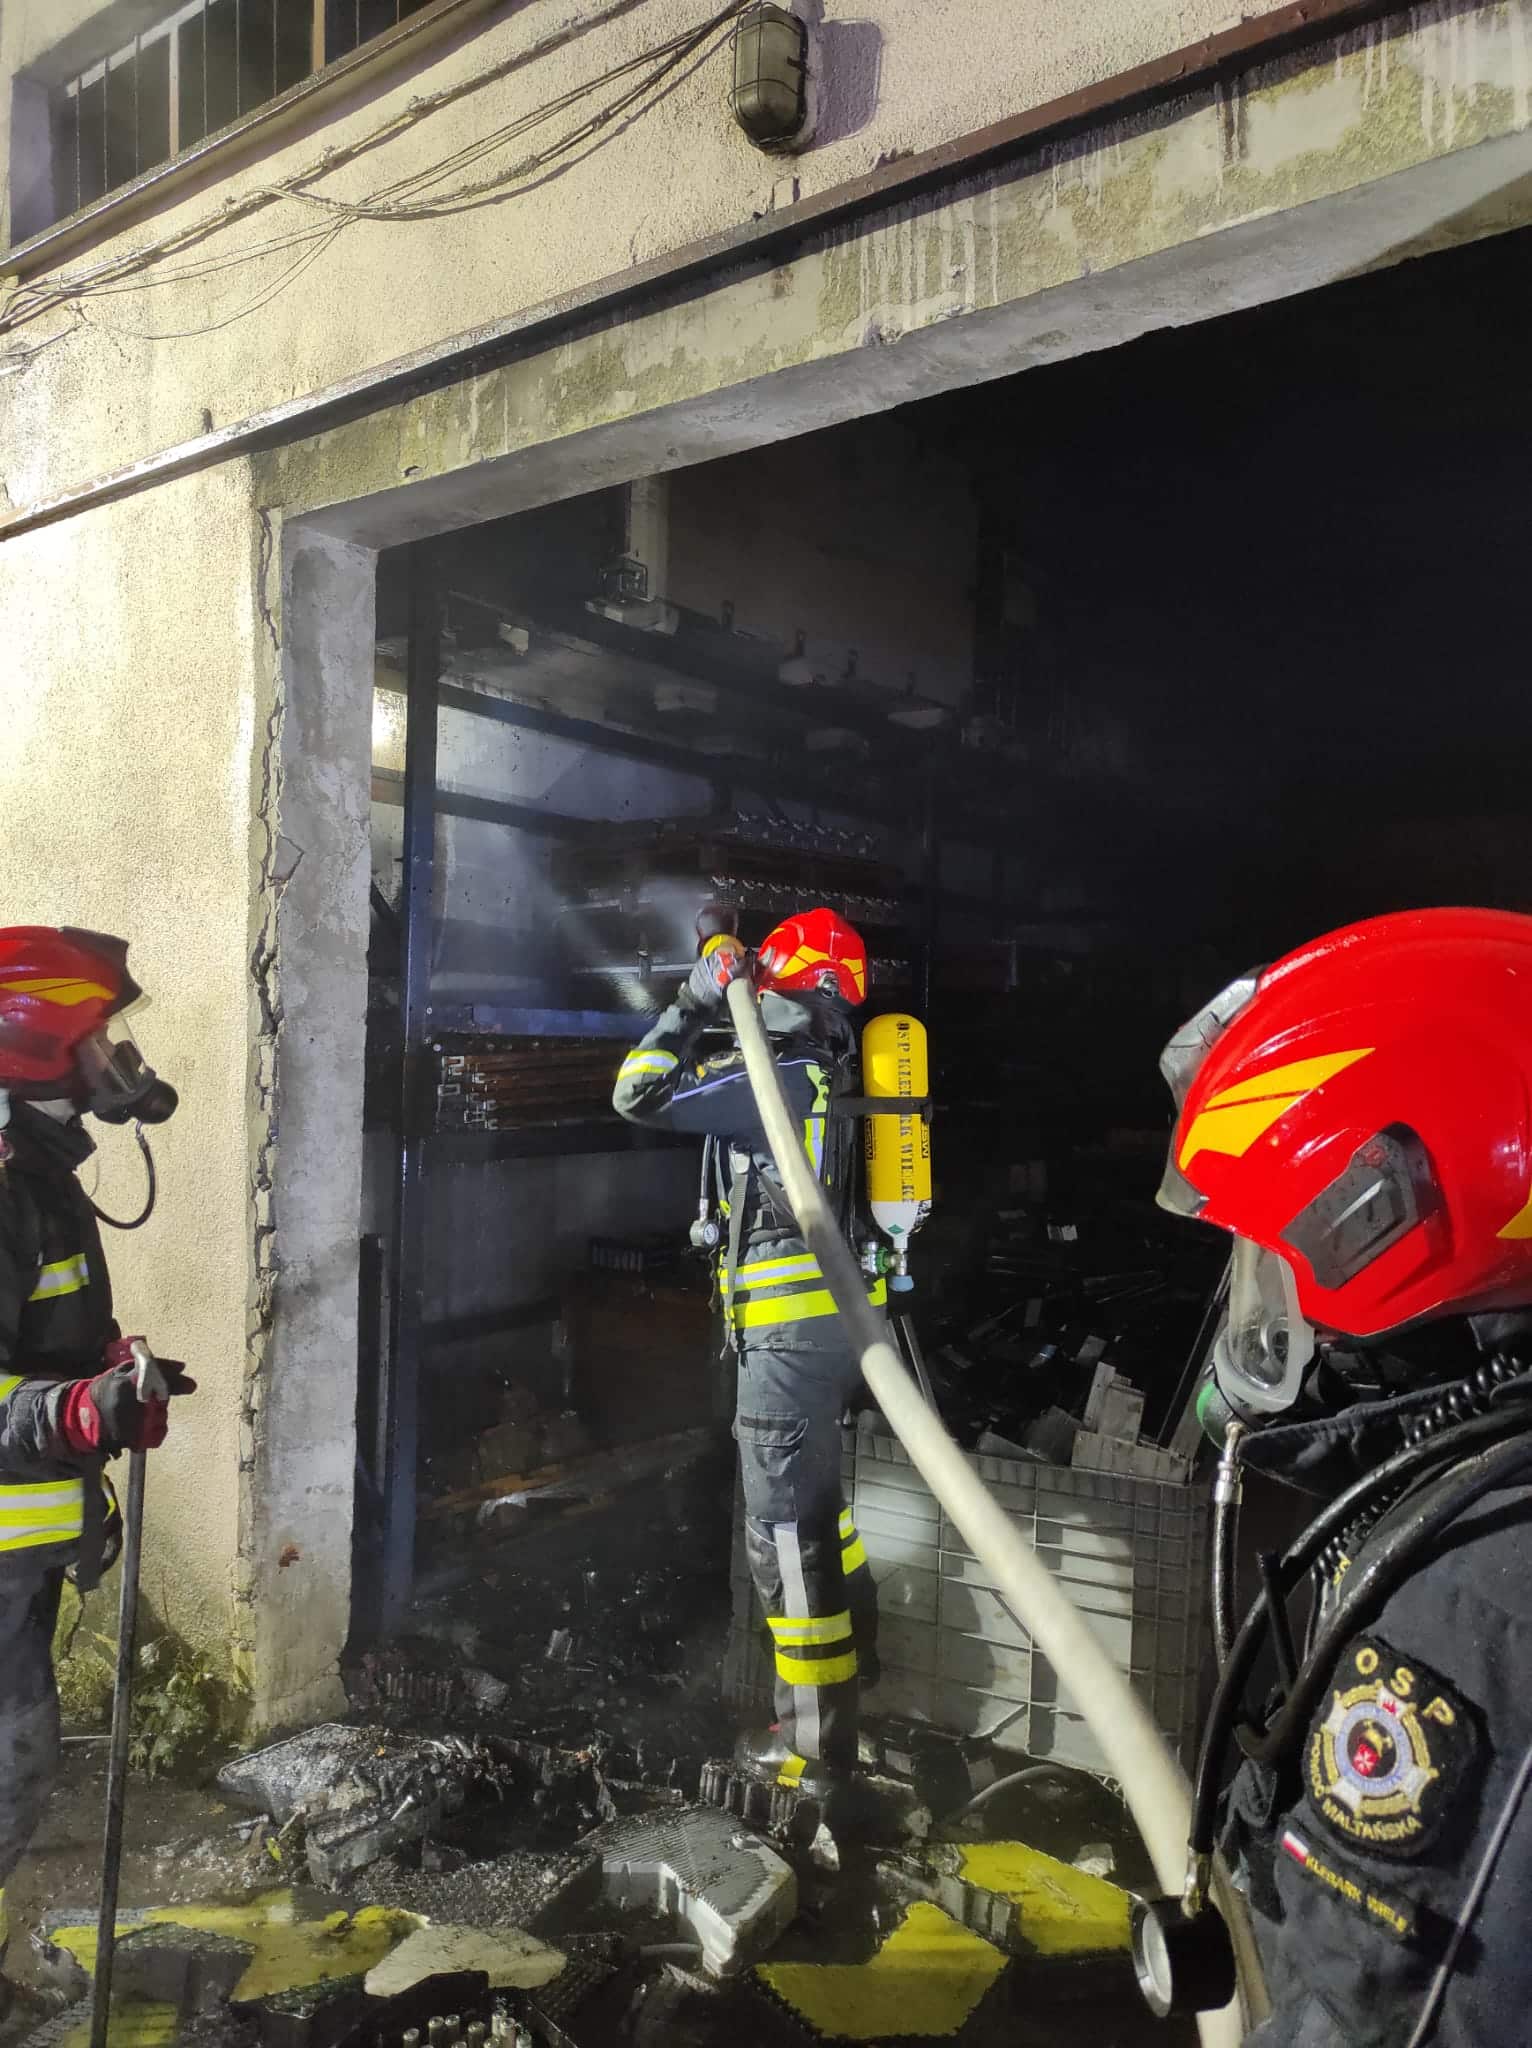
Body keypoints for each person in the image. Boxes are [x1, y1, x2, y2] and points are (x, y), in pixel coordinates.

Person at [1157, 906, 1532, 2047]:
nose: (1257, 1305)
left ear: (1379, 1225)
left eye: (1266, 1258)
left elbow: (1377, 2017)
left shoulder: (1473, 1603)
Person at [613, 907, 883, 1805]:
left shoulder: (778, 1073)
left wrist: (695, 999)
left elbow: (637, 1093)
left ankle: (813, 1752)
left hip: (786, 1346)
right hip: (835, 1339)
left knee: (785, 1539)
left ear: (778, 983)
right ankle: (857, 1680)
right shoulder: (836, 1071)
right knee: (823, 1520)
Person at [0, 928, 192, 2010]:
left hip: (18, 1551)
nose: (120, 1058)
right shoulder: (3, 1180)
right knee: (7, 1769)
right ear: (37, 1041)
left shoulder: (37, 1170)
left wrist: (110, 1374)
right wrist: (80, 1410)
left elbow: (39, 1335)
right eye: (100, 1036)